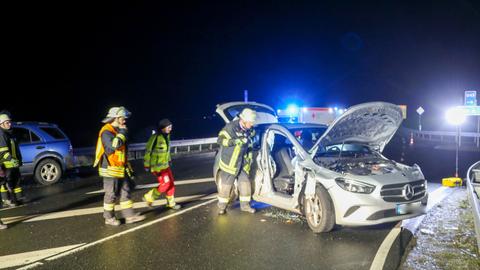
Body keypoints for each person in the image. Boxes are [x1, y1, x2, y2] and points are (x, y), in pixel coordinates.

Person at [93, 106, 145, 226]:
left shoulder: (117, 130)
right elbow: (114, 145)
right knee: (111, 195)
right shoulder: (106, 131)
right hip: (110, 169)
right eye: (123, 118)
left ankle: (129, 216)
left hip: (120, 167)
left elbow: (122, 149)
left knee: (125, 192)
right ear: (116, 118)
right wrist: (123, 132)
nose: (125, 120)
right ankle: (109, 218)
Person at [216, 108, 257, 215]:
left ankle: (245, 206)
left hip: (242, 163)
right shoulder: (230, 128)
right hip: (230, 163)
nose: (252, 124)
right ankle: (222, 207)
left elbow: (251, 140)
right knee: (226, 186)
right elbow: (220, 140)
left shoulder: (249, 129)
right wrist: (235, 141)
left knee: (245, 184)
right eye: (250, 122)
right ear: (243, 120)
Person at [143, 119, 181, 210]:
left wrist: (169, 160)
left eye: (171, 127)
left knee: (171, 184)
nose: (170, 129)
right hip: (157, 167)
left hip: (165, 166)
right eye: (169, 127)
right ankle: (149, 197)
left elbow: (166, 152)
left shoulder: (167, 137)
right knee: (166, 184)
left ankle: (171, 204)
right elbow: (148, 151)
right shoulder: (155, 137)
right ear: (163, 128)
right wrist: (146, 164)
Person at [0, 112, 24, 208]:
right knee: (6, 184)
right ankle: (7, 200)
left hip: (13, 163)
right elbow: (2, 151)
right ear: (1, 124)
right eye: (7, 123)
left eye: (9, 122)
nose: (9, 124)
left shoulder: (9, 133)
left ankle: (19, 199)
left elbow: (15, 148)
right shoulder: (1, 134)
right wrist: (11, 159)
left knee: (16, 182)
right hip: (5, 164)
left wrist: (18, 159)